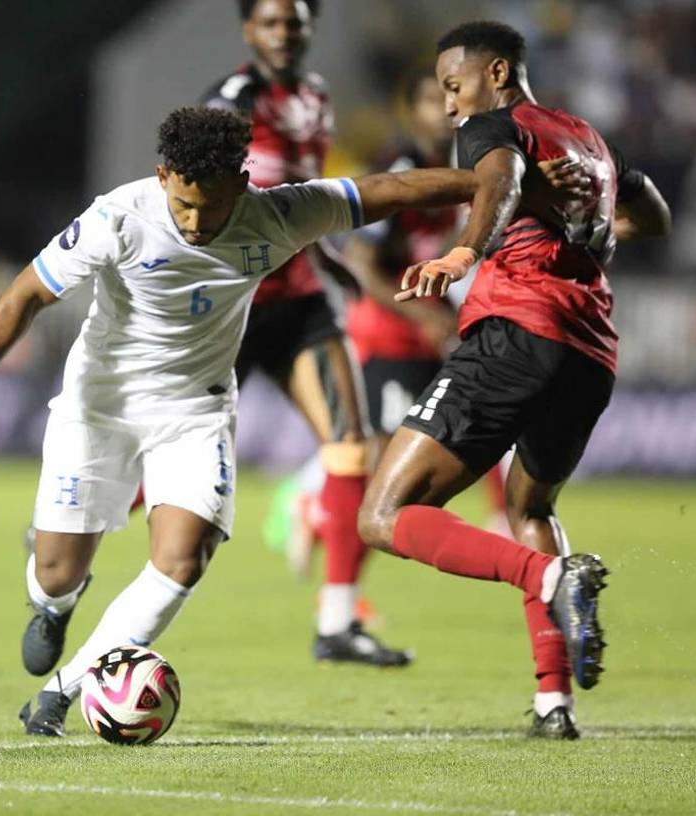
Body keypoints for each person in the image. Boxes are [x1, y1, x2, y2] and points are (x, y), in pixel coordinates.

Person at [0, 105, 492, 738]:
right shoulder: (118, 217)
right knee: (58, 570)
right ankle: (51, 604)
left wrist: (489, 182)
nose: (197, 223)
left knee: (185, 554)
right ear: (163, 174)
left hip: (195, 410)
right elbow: (27, 292)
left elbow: (388, 191)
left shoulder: (278, 213)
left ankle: (64, 690)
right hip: (98, 410)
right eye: (185, 205)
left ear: (244, 183)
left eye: (214, 206)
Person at [356, 21, 671, 739]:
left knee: (381, 516)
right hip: (590, 353)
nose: (450, 105)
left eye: (454, 84)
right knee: (530, 510)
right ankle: (553, 704)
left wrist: (463, 254)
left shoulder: (496, 125)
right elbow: (652, 213)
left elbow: (498, 181)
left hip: (515, 334)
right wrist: (589, 231)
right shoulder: (585, 137)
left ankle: (551, 579)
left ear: (496, 72)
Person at [200, 0, 411, 667]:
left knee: (352, 448)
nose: (285, 34)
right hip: (229, 306)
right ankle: (68, 524)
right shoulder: (229, 101)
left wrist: (323, 260)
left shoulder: (315, 97)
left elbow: (303, 197)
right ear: (248, 31)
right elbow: (203, 200)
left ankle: (338, 622)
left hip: (295, 304)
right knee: (174, 451)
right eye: (271, 23)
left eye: (295, 22)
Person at [342, 70, 509, 528]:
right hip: (386, 323)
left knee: (478, 403)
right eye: (433, 100)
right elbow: (361, 263)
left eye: (452, 97)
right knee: (386, 462)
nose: (446, 110)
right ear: (412, 111)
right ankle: (318, 517)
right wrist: (421, 313)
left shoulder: (462, 168)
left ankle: (502, 517)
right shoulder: (401, 167)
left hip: (428, 318)